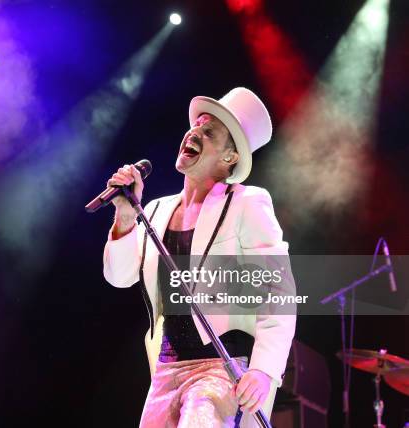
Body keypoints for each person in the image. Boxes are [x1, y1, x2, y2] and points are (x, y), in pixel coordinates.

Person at [102, 88, 296, 427]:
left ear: (229, 157)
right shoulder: (156, 210)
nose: (194, 133)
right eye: (196, 126)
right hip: (166, 369)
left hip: (220, 368)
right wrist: (124, 217)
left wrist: (264, 370)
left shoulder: (247, 203)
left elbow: (278, 294)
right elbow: (119, 277)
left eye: (209, 132)